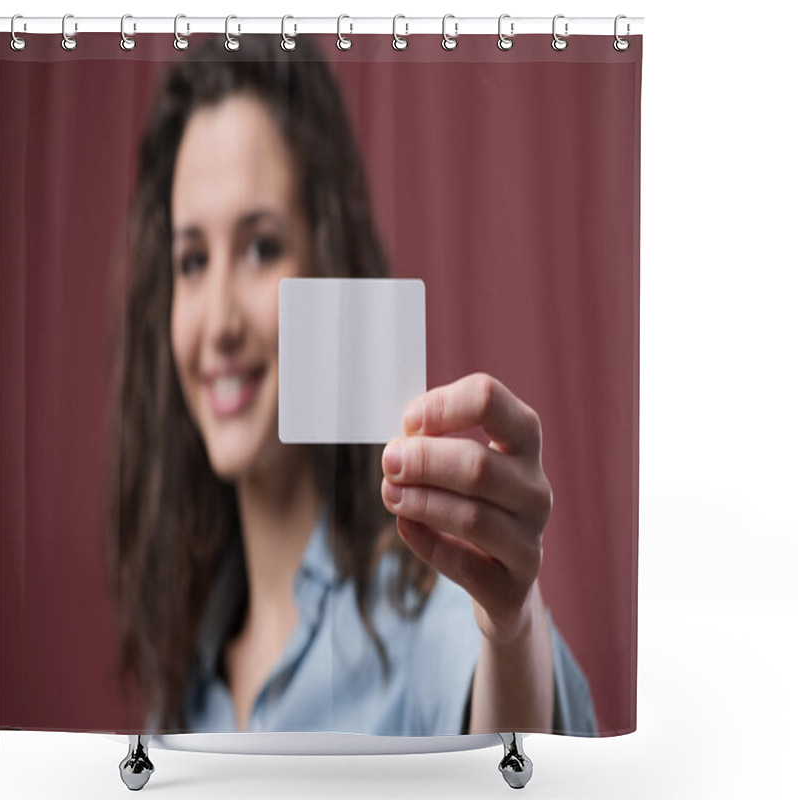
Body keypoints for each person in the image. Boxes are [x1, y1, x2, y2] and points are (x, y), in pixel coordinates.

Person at [106, 34, 597, 737]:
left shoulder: (432, 611)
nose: (217, 322)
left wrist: (511, 622)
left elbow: (519, 756)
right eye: (190, 260)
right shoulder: (180, 699)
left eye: (260, 247)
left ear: (329, 265)